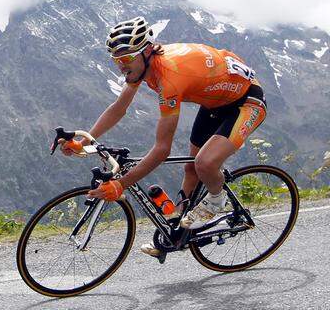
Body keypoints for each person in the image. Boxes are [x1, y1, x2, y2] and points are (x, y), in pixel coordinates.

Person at [60, 16, 267, 257]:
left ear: (146, 51)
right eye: (116, 59)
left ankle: (217, 200)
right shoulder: (143, 66)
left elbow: (162, 150)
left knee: (205, 163)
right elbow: (119, 107)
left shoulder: (169, 76)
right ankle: (178, 233)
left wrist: (120, 184)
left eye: (126, 58)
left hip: (247, 102)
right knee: (191, 169)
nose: (121, 65)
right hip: (215, 104)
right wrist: (85, 140)